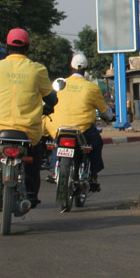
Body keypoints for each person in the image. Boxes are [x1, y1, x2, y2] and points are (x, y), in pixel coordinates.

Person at [0, 28, 58, 207]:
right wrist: (47, 106)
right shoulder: (38, 70)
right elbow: (51, 98)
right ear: (28, 47)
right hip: (28, 131)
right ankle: (31, 193)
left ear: (7, 47)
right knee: (35, 155)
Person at [45, 54, 113, 191]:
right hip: (82, 130)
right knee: (96, 143)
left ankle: (54, 169)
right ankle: (93, 176)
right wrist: (110, 117)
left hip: (58, 127)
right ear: (85, 69)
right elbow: (105, 111)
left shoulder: (59, 84)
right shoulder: (91, 88)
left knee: (56, 141)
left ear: (71, 67)